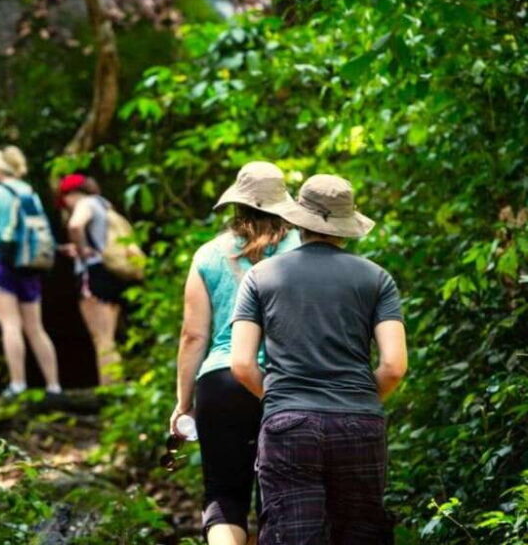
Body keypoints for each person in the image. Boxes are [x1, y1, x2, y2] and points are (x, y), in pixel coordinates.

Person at [230, 174, 408, 545]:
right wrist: (356, 400)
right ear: (347, 226)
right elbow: (393, 366)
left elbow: (242, 365)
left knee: (293, 534)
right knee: (362, 532)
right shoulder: (377, 278)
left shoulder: (260, 276)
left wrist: (283, 402)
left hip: (288, 425)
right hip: (359, 421)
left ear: (296, 219)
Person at [169, 162, 301, 545]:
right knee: (279, 496)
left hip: (220, 381)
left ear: (236, 205)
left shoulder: (208, 255)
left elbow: (193, 335)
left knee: (224, 495)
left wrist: (183, 403)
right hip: (283, 382)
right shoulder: (305, 251)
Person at [0, 145, 61, 397]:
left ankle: (18, 383)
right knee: (35, 327)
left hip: (2, 262)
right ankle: (53, 385)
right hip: (30, 263)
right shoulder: (30, 192)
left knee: (10, 324)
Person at [57, 173, 126, 385]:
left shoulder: (85, 203)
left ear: (72, 194)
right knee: (109, 337)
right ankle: (117, 385)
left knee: (102, 338)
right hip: (110, 273)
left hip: (92, 275)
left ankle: (110, 388)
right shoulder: (104, 205)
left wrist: (81, 250)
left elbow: (75, 226)